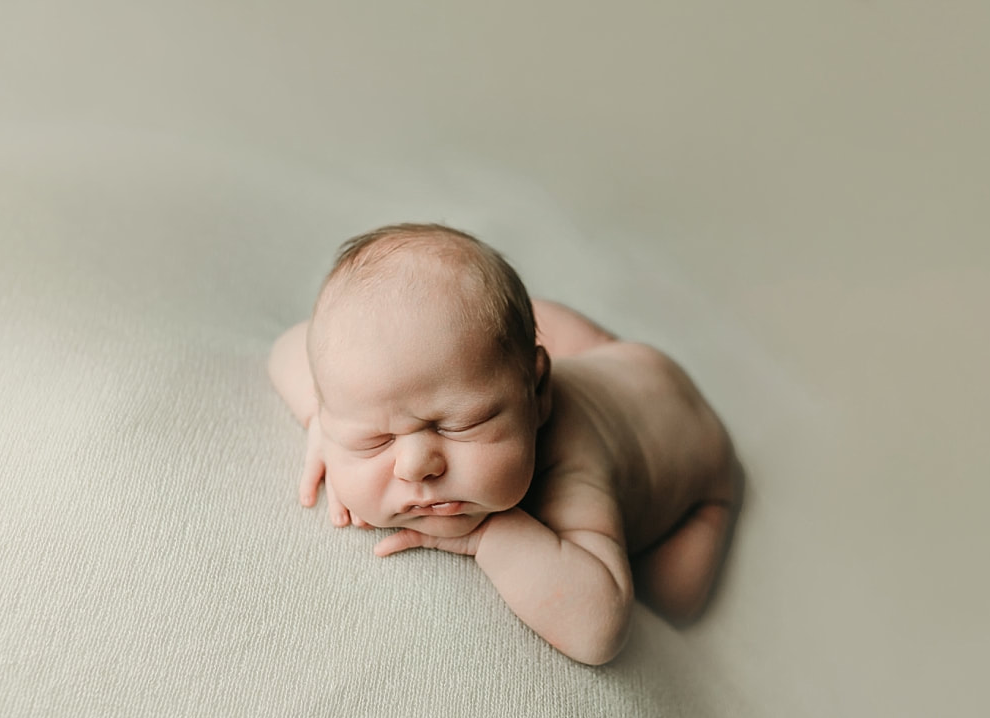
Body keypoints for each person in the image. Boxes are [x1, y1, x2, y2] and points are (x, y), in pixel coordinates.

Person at [268, 223, 742, 665]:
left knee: (673, 598)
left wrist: (489, 535)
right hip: (614, 363)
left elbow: (599, 630)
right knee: (488, 330)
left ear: (538, 395)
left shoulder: (571, 466)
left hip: (697, 453)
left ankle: (722, 499)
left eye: (458, 425)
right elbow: (289, 346)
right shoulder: (358, 396)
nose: (415, 466)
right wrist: (323, 424)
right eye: (374, 438)